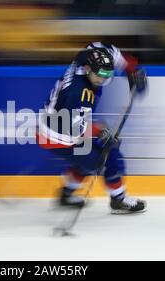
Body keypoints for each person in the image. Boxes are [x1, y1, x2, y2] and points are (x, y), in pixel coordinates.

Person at [38, 42, 148, 213]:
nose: (102, 80)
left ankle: (66, 195)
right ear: (88, 69)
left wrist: (133, 70)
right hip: (58, 135)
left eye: (107, 75)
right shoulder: (79, 94)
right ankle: (118, 199)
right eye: (99, 76)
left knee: (88, 158)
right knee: (106, 156)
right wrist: (101, 133)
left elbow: (109, 51)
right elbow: (75, 132)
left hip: (55, 125)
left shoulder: (88, 56)